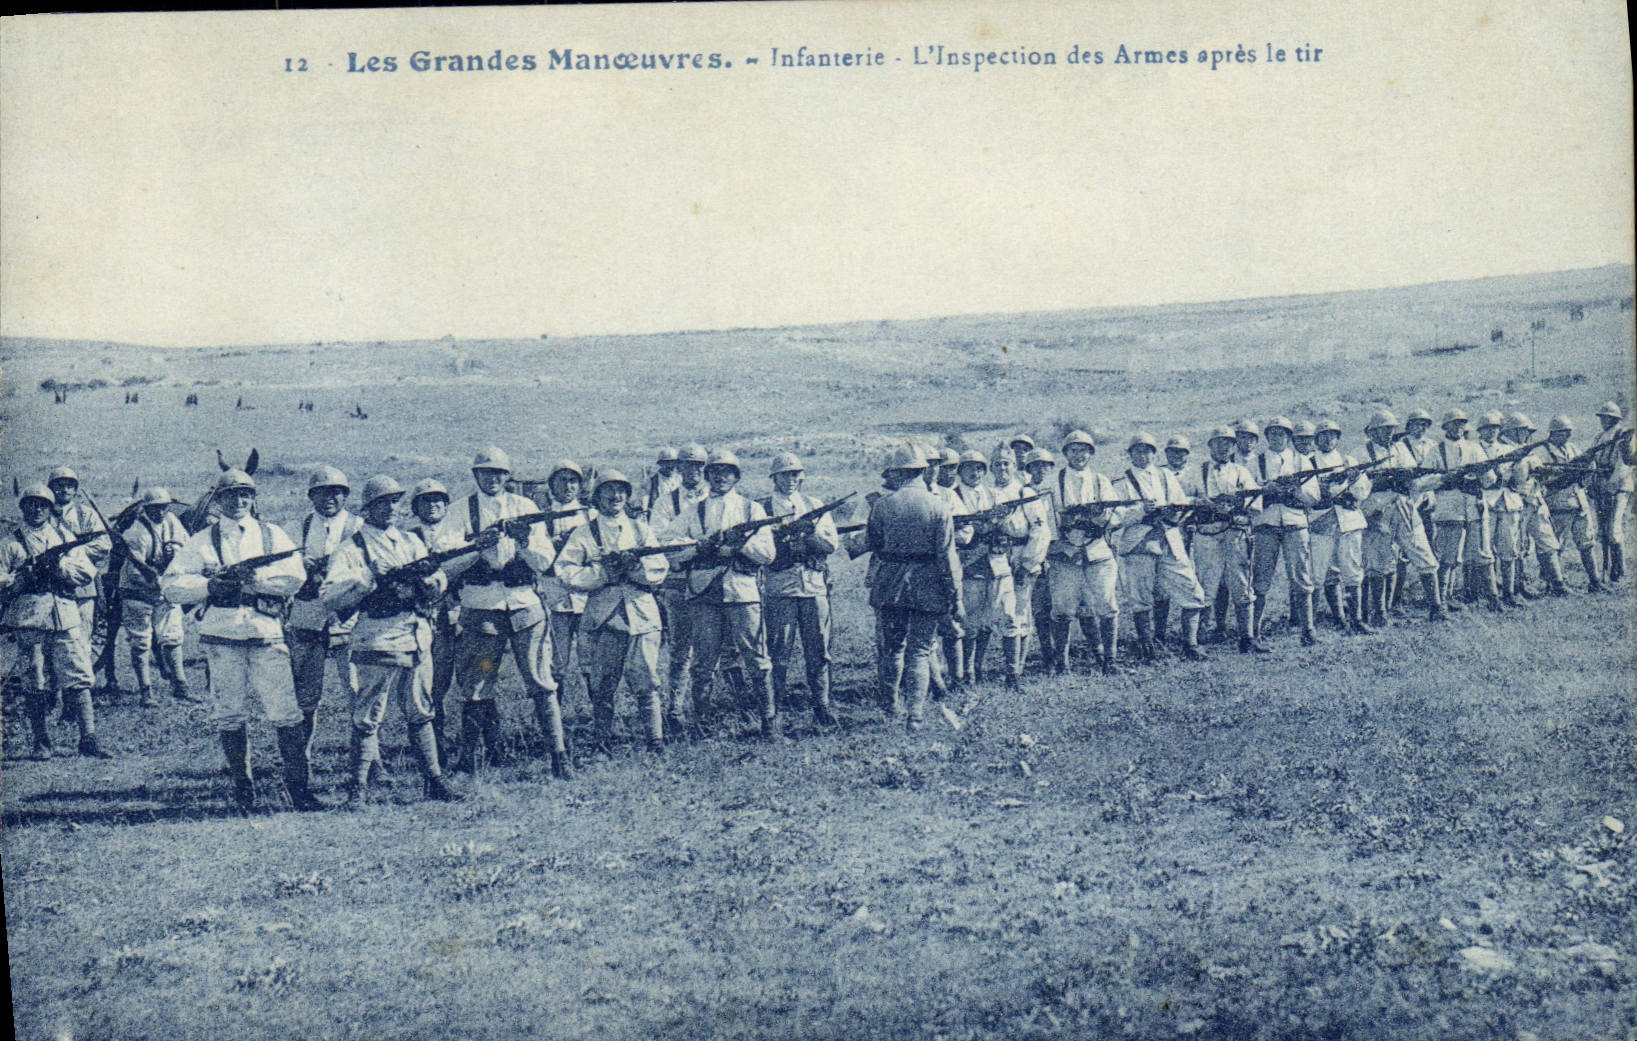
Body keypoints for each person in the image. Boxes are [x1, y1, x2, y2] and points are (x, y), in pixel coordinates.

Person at [160, 469, 316, 811]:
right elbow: (170, 584)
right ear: (218, 500)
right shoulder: (202, 540)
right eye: (231, 495)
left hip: (265, 633)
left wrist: (256, 579)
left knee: (286, 714)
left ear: (254, 498)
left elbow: (295, 577)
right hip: (222, 636)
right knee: (229, 714)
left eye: (245, 495)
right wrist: (211, 586)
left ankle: (299, 789)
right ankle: (244, 789)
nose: (239, 501)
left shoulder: (272, 535)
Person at [320, 475, 464, 806]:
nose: (389, 508)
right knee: (368, 714)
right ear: (367, 509)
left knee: (420, 709)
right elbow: (329, 595)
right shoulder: (352, 548)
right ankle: (356, 789)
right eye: (380, 503)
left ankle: (434, 780)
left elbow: (437, 574)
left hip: (416, 634)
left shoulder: (411, 542)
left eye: (394, 502)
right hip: (377, 635)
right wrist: (368, 579)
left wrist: (433, 585)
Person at [447, 446, 571, 778]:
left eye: (500, 473)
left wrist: (525, 542)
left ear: (508, 476)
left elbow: (545, 563)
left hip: (524, 606)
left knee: (541, 681)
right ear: (476, 475)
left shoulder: (526, 508)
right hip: (481, 608)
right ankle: (469, 760)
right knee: (477, 684)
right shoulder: (460, 511)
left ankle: (559, 757)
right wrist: (477, 547)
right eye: (486, 472)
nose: (493, 479)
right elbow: (445, 561)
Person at [667, 450, 781, 740]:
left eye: (727, 472)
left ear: (737, 476)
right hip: (704, 591)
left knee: (756, 657)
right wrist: (699, 548)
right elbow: (668, 549)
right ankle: (701, 725)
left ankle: (769, 722)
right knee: (703, 662)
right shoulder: (694, 511)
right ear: (707, 476)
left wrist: (737, 547)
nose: (720, 477)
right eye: (714, 472)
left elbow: (768, 553)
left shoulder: (751, 510)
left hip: (742, 589)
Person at [556, 470, 674, 749]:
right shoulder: (584, 533)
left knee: (647, 679)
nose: (615, 496)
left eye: (621, 490)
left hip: (641, 612)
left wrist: (637, 569)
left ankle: (655, 740)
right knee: (602, 682)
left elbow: (660, 568)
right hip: (604, 615)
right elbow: (565, 571)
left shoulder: (640, 529)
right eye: (608, 491)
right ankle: (602, 740)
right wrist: (601, 573)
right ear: (596, 497)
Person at [1, 483, 110, 759]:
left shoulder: (63, 536)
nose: (37, 509)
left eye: (43, 505)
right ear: (23, 508)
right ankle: (41, 742)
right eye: (31, 504)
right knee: (34, 679)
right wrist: (21, 577)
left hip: (64, 613)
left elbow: (86, 571)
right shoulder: (10, 543)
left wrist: (60, 568)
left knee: (79, 674)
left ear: (50, 508)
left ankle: (89, 738)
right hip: (29, 617)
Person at [865, 446, 962, 729]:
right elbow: (947, 556)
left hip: (890, 585)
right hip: (927, 584)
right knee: (920, 650)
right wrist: (954, 594)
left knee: (893, 648)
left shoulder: (883, 505)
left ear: (897, 472)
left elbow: (875, 542)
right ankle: (915, 715)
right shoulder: (938, 505)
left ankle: (890, 706)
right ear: (922, 471)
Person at [286, 466, 363, 774]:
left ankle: (367, 762)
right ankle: (301, 763)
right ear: (311, 496)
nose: (330, 497)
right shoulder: (299, 526)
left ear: (345, 495)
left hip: (349, 619)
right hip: (308, 619)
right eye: (322, 492)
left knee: (358, 693)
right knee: (305, 696)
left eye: (336, 492)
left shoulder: (359, 526)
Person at [759, 453, 841, 727]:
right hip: (780, 588)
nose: (790, 480)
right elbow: (760, 550)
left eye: (795, 475)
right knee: (778, 651)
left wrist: (808, 534)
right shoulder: (763, 509)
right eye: (784, 474)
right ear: (774, 478)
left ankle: (821, 705)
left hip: (813, 586)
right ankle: (775, 710)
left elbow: (831, 545)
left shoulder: (814, 505)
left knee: (818, 650)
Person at [1112, 433, 1209, 661]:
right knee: (1141, 597)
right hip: (1139, 542)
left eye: (1148, 450)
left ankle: (1191, 644)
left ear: (1155, 453)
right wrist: (1141, 511)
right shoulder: (1121, 482)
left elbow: (1181, 503)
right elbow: (1116, 518)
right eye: (1138, 450)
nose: (1143, 455)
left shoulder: (1165, 475)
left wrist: (1170, 510)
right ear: (1130, 454)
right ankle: (1148, 646)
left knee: (1193, 591)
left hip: (1169, 539)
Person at [1042, 434, 1129, 673]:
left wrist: (1100, 518)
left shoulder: (1101, 481)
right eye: (1073, 450)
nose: (1079, 456)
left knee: (1107, 605)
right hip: (1065, 553)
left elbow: (1118, 514)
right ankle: (1062, 663)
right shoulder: (1053, 481)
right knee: (1062, 609)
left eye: (1084, 451)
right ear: (1065, 454)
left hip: (1097, 551)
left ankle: (1109, 661)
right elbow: (1045, 515)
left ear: (1091, 454)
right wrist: (1055, 542)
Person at [1357, 411, 1447, 625]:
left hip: (1405, 508)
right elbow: (1358, 489)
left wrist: (1437, 479)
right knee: (1378, 563)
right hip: (1377, 512)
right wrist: (1381, 483)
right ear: (1371, 431)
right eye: (1382, 429)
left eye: (1390, 429)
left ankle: (1436, 607)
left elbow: (1414, 481)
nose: (1387, 433)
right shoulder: (1360, 453)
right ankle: (1380, 613)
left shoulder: (1400, 449)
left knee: (1425, 556)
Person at [116, 487, 200, 706]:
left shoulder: (172, 521)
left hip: (164, 590)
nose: (160, 512)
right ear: (146, 508)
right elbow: (136, 572)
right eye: (155, 508)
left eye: (163, 507)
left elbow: (187, 546)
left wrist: (176, 552)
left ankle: (180, 685)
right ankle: (146, 690)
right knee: (141, 642)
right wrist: (157, 580)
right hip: (138, 593)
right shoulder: (136, 533)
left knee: (173, 637)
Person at [1249, 416, 1321, 646]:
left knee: (1301, 576)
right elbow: (1247, 497)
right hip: (1266, 524)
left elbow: (1314, 497)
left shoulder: (1302, 462)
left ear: (1289, 437)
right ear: (1267, 436)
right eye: (1273, 434)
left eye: (1282, 434)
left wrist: (1295, 490)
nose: (1277, 438)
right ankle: (1253, 632)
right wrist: (1265, 490)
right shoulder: (1255, 463)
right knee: (1260, 579)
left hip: (1295, 522)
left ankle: (1307, 629)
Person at [404, 479, 465, 748]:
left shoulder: (458, 534)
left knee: (468, 674)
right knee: (429, 680)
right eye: (425, 501)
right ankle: (434, 738)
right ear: (415, 507)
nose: (432, 506)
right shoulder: (406, 537)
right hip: (422, 615)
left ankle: (476, 739)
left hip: (457, 610)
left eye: (438, 500)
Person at [1190, 427, 1262, 652]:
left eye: (1229, 443)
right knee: (1206, 586)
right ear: (1210, 445)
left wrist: (1236, 507)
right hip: (1208, 535)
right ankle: (1201, 636)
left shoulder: (1241, 472)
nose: (1224, 447)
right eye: (1218, 443)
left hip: (1234, 534)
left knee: (1242, 585)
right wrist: (1201, 503)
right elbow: (1179, 498)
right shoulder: (1196, 472)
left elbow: (1256, 505)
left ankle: (1247, 638)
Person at [651, 442, 710, 702]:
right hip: (678, 582)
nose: (693, 471)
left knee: (711, 647)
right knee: (680, 648)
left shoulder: (714, 497)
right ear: (678, 468)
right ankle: (675, 707)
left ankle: (704, 705)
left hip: (711, 580)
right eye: (687, 466)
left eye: (698, 466)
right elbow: (661, 542)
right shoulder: (666, 501)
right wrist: (697, 547)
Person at [45, 467, 110, 691]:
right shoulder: (42, 514)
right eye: (58, 484)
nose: (64, 489)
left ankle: (78, 699)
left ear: (75, 490)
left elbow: (104, 544)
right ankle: (53, 692)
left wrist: (72, 555)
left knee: (81, 642)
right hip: (50, 588)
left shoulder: (85, 515)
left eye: (69, 485)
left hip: (82, 588)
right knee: (50, 642)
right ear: (50, 488)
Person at [1308, 420, 1376, 632]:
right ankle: (1319, 623)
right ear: (1316, 439)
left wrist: (1353, 482)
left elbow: (1363, 491)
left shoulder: (1348, 461)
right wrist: (1324, 489)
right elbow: (1308, 495)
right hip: (1321, 522)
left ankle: (1356, 620)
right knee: (1319, 573)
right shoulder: (1309, 462)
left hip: (1348, 520)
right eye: (1323, 435)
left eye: (1332, 435)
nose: (1328, 440)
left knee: (1353, 570)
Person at [1428, 409, 1500, 611]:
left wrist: (1480, 473)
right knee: (1448, 556)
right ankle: (1441, 600)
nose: (1458, 427)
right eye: (1453, 424)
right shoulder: (1436, 450)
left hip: (1474, 505)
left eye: (1461, 424)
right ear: (1446, 427)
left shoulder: (1474, 448)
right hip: (1449, 506)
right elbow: (1421, 482)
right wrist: (1445, 478)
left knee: (1484, 553)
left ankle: (1493, 598)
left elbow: (1490, 481)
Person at [990, 448, 1049, 685]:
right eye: (997, 465)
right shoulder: (988, 494)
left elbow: (1041, 530)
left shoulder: (1025, 493)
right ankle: (1008, 668)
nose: (1002, 469)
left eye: (1007, 464)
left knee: (1021, 612)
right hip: (998, 557)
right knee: (1005, 612)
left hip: (1023, 555)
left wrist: (1027, 563)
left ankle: (1017, 670)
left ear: (1015, 467)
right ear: (991, 468)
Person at [537, 459, 593, 702]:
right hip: (555, 598)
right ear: (551, 485)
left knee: (591, 661)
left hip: (587, 597)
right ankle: (556, 721)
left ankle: (599, 721)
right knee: (556, 663)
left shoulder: (591, 515)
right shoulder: (542, 518)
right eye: (562, 480)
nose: (568, 486)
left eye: (573, 481)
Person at [1502, 413, 1569, 598]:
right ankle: (1517, 587)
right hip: (1516, 504)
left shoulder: (1529, 450)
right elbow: (1510, 478)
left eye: (1526, 431)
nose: (1526, 434)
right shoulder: (1503, 451)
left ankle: (1557, 584)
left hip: (1535, 501)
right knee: (1517, 546)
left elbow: (1541, 472)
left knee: (1548, 542)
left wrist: (1546, 473)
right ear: (1512, 431)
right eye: (1522, 430)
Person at [1538, 415, 1604, 593]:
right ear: (1553, 433)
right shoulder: (1542, 452)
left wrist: (1585, 477)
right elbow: (1542, 478)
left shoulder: (1573, 448)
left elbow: (1588, 469)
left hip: (1579, 502)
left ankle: (1595, 582)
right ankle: (1552, 584)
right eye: (1562, 433)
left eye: (1568, 433)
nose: (1566, 436)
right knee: (1555, 546)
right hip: (1558, 504)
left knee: (1586, 543)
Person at [1589, 401, 1634, 585]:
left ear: (1614, 418)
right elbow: (1593, 461)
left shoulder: (1623, 436)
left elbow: (1623, 465)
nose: (1603, 421)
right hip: (1601, 487)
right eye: (1602, 418)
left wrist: (1610, 486)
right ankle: (1607, 569)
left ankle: (1619, 570)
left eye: (1607, 418)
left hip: (1618, 487)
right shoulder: (1599, 437)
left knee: (1614, 530)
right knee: (1603, 531)